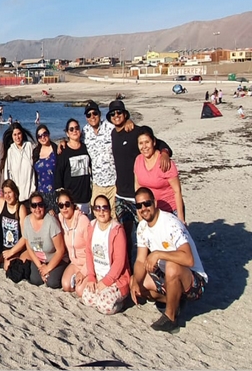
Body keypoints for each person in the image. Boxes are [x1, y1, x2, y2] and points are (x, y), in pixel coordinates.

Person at [130, 188, 207, 332]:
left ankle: (170, 317)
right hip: (167, 275)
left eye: (147, 203)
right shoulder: (142, 227)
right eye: (139, 206)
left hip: (193, 279)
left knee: (172, 266)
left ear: (155, 202)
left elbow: (188, 259)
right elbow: (140, 260)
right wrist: (136, 283)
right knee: (136, 281)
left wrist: (158, 254)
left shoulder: (170, 223)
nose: (143, 208)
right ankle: (175, 301)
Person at [109, 100, 171, 262]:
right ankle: (128, 266)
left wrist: (164, 152)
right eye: (113, 114)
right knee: (124, 234)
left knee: (145, 235)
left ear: (125, 114)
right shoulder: (113, 134)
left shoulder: (135, 131)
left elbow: (157, 141)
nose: (116, 116)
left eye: (119, 113)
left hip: (137, 196)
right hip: (120, 195)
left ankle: (152, 266)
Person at [81, 194, 131, 315]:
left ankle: (122, 302)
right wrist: (91, 276)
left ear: (109, 209)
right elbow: (88, 252)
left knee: (104, 306)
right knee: (87, 298)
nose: (101, 211)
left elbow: (120, 261)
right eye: (97, 208)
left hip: (115, 278)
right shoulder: (92, 226)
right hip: (98, 275)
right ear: (93, 210)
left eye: (104, 208)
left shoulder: (117, 230)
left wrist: (106, 282)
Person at [134, 126, 185, 223]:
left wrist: (180, 218)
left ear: (154, 142)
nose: (144, 146)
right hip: (149, 211)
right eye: (141, 143)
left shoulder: (164, 162)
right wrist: (140, 216)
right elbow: (137, 188)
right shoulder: (138, 160)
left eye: (147, 142)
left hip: (170, 210)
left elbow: (177, 191)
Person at [23, 191, 66, 289]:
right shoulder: (26, 221)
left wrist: (48, 268)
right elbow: (28, 247)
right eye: (34, 205)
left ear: (44, 206)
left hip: (55, 258)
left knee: (52, 282)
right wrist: (40, 266)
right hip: (39, 259)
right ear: (30, 208)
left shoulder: (51, 221)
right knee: (35, 280)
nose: (37, 208)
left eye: (40, 205)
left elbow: (60, 250)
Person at [82, 100, 119, 213]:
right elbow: (73, 142)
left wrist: (128, 122)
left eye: (95, 113)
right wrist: (63, 143)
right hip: (97, 184)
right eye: (89, 115)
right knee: (97, 214)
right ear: (86, 117)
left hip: (114, 184)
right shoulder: (84, 132)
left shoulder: (111, 128)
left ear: (100, 114)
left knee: (113, 216)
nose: (92, 117)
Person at [54, 119, 92, 216]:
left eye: (77, 128)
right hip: (70, 200)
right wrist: (61, 198)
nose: (74, 131)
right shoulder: (63, 151)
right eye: (71, 129)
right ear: (67, 133)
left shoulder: (86, 148)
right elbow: (58, 176)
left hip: (85, 198)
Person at [57, 190, 90, 293]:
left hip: (87, 263)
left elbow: (91, 249)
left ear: (73, 204)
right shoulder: (60, 218)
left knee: (80, 291)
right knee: (66, 286)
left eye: (67, 204)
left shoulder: (83, 220)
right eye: (61, 205)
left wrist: (84, 271)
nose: (64, 208)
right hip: (74, 263)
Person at [0, 179, 29, 271]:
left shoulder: (21, 208)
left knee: (8, 267)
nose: (7, 196)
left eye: (9, 192)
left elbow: (24, 237)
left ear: (15, 193)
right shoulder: (1, 202)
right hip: (3, 246)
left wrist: (12, 252)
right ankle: (1, 257)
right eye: (5, 193)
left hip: (16, 248)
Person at [3, 123, 36, 204]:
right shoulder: (10, 151)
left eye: (19, 134)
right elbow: (7, 175)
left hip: (30, 196)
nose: (17, 137)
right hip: (16, 198)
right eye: (14, 134)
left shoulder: (29, 146)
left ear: (22, 134)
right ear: (11, 136)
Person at [32, 124, 57, 212]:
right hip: (40, 194)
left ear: (49, 134)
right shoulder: (35, 152)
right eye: (39, 136)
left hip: (54, 193)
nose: (43, 137)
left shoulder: (56, 149)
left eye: (45, 134)